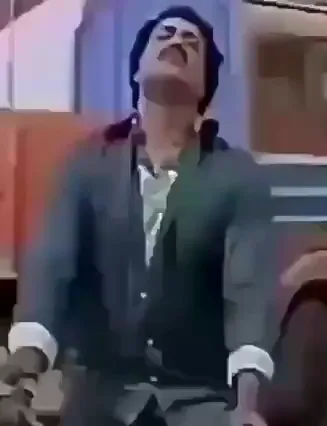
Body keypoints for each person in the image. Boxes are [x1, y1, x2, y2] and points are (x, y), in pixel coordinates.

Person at [0, 6, 278, 426]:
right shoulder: (87, 165)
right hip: (100, 400)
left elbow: (249, 291)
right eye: (164, 34)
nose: (177, 39)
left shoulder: (237, 177)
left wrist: (247, 404)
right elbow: (53, 269)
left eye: (192, 42)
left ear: (206, 86)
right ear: (135, 70)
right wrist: (24, 377)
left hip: (198, 402)